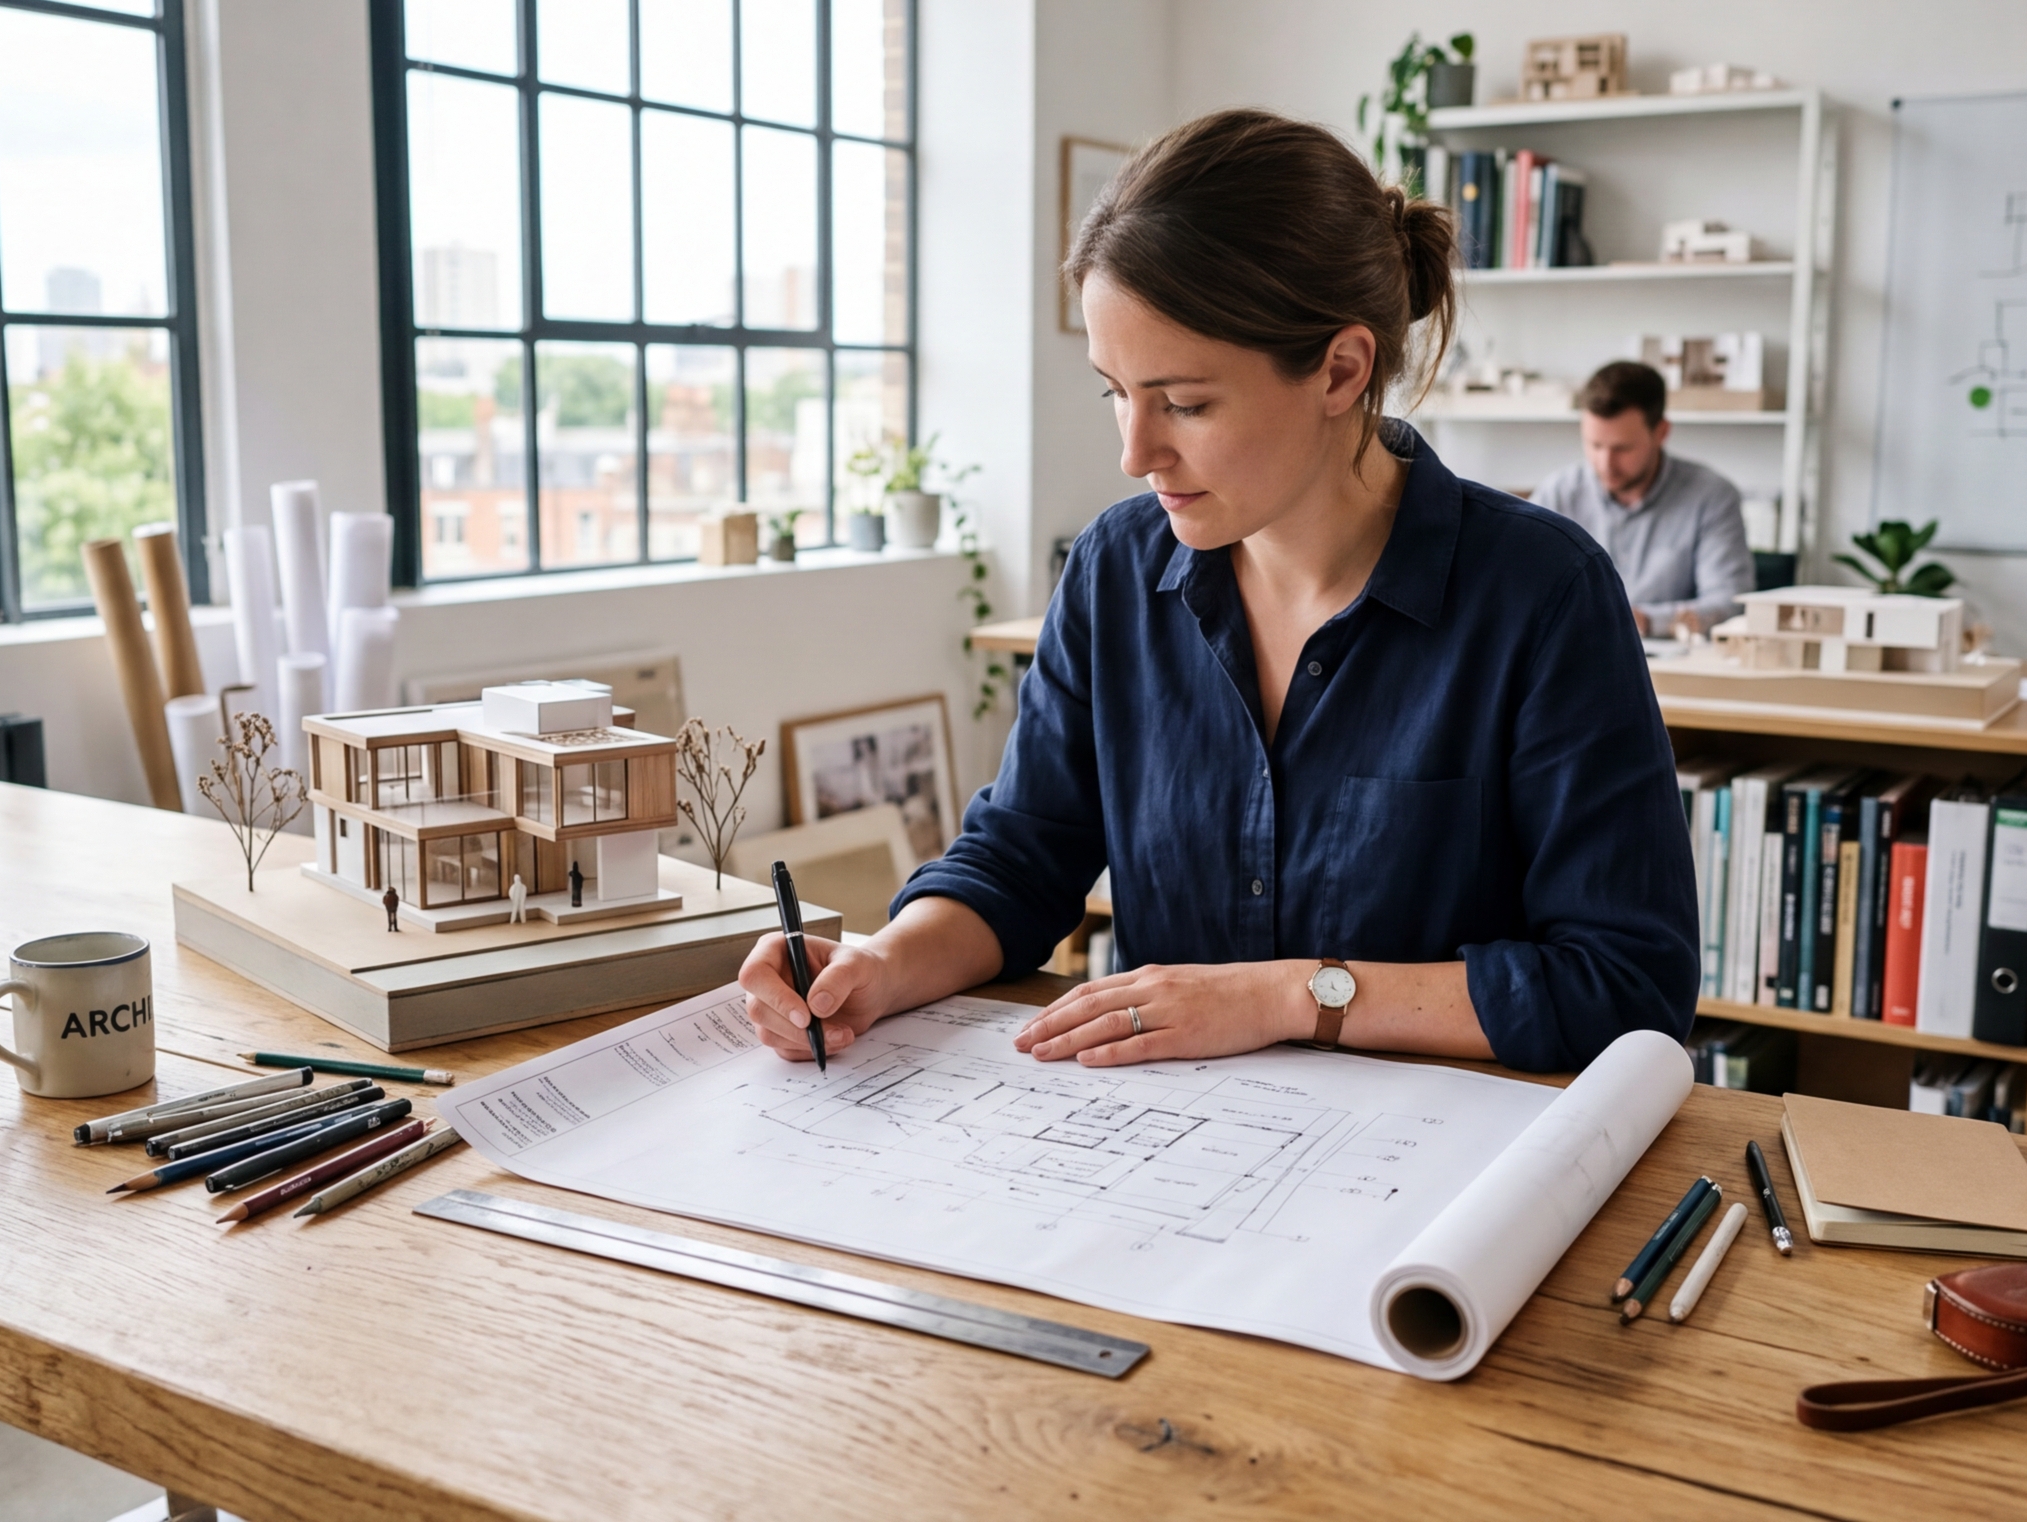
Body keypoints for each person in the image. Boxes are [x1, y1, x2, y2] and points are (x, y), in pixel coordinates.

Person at [736, 109, 1697, 1075]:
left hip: (1438, 1177)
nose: (1133, 452)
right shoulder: (1117, 570)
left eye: (1185, 404)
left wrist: (1286, 995)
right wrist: (879, 964)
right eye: (1114, 390)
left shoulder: (1544, 593)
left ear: (1341, 368)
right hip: (1169, 1158)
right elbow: (1022, 857)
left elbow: (1626, 981)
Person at [1528, 360, 1754, 638]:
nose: (1605, 463)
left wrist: (1643, 621)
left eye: (1622, 448)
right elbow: (1524, 592)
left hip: (1670, 671)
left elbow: (1729, 604)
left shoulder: (1712, 497)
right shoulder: (1558, 493)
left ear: (1661, 433)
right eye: (1595, 445)